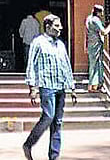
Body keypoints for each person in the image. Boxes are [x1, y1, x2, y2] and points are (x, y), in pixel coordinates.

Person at [22, 14, 77, 160]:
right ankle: (29, 144)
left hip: (60, 86)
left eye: (60, 26)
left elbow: (66, 65)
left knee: (57, 122)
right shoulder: (38, 42)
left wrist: (71, 87)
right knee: (48, 116)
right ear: (48, 26)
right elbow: (31, 65)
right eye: (57, 26)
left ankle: (54, 156)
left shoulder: (60, 44)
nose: (60, 28)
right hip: (46, 86)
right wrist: (32, 88)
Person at [85, 5, 110, 92]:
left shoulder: (88, 19)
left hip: (91, 43)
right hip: (96, 43)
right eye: (101, 12)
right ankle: (93, 85)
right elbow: (104, 32)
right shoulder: (95, 20)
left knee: (96, 63)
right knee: (95, 64)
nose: (102, 14)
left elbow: (86, 33)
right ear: (98, 12)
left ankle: (96, 85)